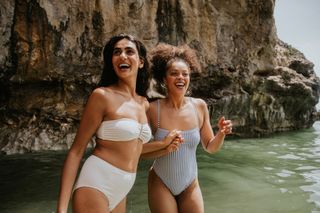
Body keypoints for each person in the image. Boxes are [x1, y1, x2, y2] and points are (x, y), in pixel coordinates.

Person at [57, 34, 181, 213]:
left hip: (121, 190)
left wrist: (163, 147)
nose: (122, 56)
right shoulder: (102, 96)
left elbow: (132, 150)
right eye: (117, 52)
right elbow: (76, 151)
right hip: (96, 183)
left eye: (129, 51)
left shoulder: (143, 103)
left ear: (141, 62)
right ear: (112, 62)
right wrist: (61, 209)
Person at [142, 43, 233, 213]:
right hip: (161, 182)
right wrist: (164, 146)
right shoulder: (152, 109)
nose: (181, 78)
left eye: (185, 74)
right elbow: (136, 151)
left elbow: (210, 147)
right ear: (164, 79)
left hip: (190, 184)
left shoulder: (199, 106)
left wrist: (221, 133)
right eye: (174, 74)